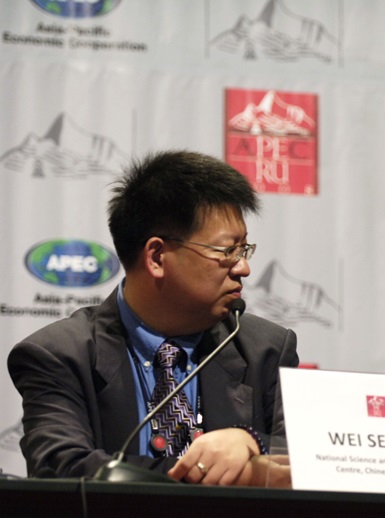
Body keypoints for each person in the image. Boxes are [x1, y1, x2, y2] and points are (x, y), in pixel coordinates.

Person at [7, 150, 298, 486]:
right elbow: (61, 468)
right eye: (227, 251)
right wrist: (219, 477)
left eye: (244, 249)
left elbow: (313, 457)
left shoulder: (266, 349)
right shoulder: (59, 354)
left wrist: (251, 441)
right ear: (157, 256)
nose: (243, 267)